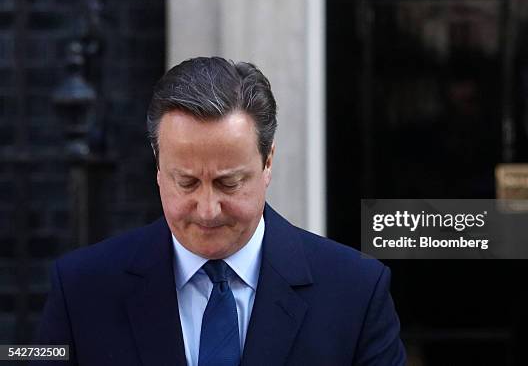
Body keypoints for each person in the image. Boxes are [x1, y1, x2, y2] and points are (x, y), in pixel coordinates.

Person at [36, 57, 406, 365]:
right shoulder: (80, 289)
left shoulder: (356, 293)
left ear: (268, 162)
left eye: (229, 183)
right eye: (187, 182)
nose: (208, 210)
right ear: (158, 167)